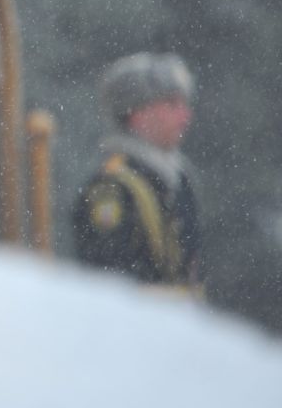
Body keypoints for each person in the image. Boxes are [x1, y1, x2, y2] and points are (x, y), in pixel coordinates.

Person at [70, 52, 204, 293]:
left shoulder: (178, 179)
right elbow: (108, 283)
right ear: (138, 113)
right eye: (172, 104)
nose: (185, 116)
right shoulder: (112, 187)